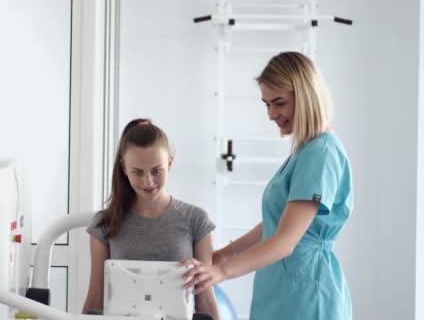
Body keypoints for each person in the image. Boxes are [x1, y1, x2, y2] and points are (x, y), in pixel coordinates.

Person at [181, 52, 353, 319]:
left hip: (307, 293)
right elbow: (276, 223)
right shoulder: (304, 151)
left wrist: (221, 273)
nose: (272, 113)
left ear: (306, 96)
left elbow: (285, 241)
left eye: (279, 102)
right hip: (281, 286)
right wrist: (223, 255)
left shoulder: (322, 152)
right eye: (266, 104)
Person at [82, 118, 220, 320]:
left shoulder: (195, 220)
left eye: (157, 171)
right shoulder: (104, 224)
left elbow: (206, 300)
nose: (148, 181)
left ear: (170, 162)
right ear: (123, 168)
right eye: (137, 172)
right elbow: (96, 300)